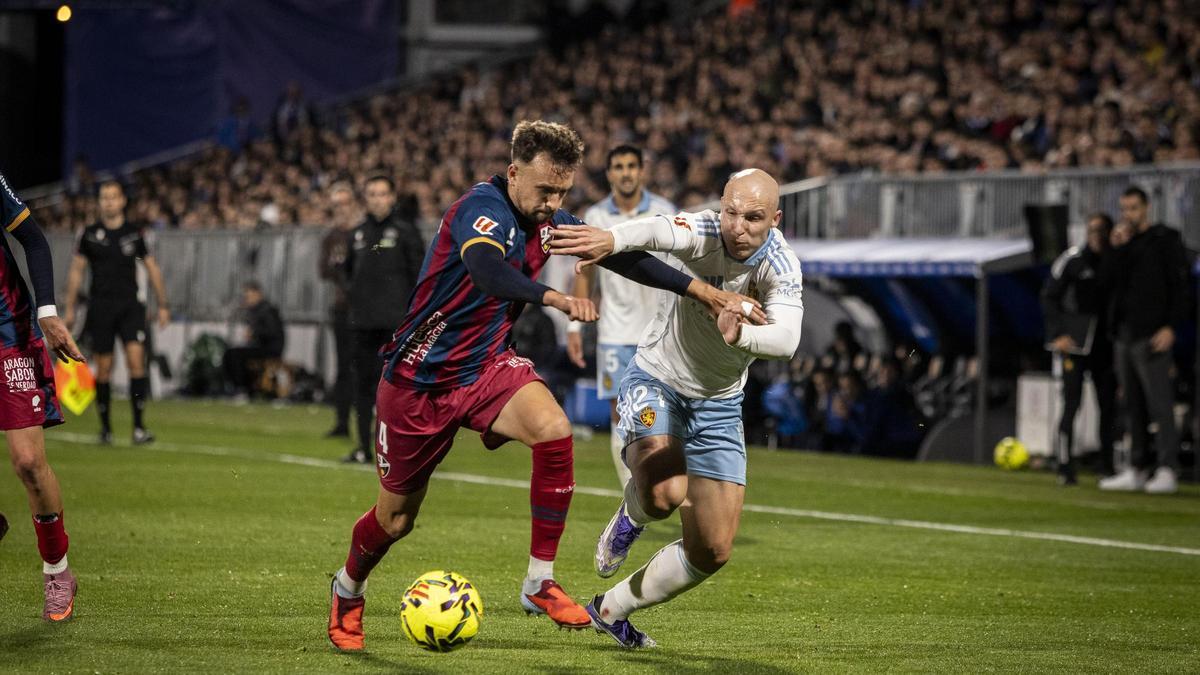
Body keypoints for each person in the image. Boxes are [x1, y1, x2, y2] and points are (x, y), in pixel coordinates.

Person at [326, 121, 755, 652]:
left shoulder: (547, 220)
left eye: (562, 192)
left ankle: (538, 582)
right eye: (544, 190)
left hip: (484, 368)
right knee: (395, 520)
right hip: (418, 381)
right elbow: (485, 270)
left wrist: (701, 292)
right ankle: (348, 589)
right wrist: (551, 299)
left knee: (555, 430)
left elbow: (618, 256)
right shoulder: (479, 210)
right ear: (512, 174)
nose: (553, 203)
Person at [550, 168, 801, 649]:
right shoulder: (705, 230)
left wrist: (740, 333)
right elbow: (657, 230)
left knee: (713, 549)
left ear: (775, 219)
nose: (738, 226)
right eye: (731, 212)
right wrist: (610, 237)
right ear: (721, 208)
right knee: (663, 494)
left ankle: (611, 609)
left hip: (721, 406)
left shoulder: (782, 265)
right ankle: (632, 516)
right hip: (657, 381)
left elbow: (787, 338)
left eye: (752, 217)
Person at [0, 168, 87, 621]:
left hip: (7, 332)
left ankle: (57, 571)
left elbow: (34, 241)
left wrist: (48, 313)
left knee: (29, 464)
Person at [567, 145, 677, 487]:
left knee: (664, 413)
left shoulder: (663, 212)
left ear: (642, 170)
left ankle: (661, 481)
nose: (626, 172)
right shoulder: (597, 217)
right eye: (619, 166)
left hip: (659, 331)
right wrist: (574, 325)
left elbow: (679, 268)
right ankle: (632, 490)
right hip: (614, 331)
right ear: (610, 173)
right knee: (622, 413)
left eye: (632, 165)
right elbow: (584, 272)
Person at [1099, 187, 1190, 494]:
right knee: (1132, 404)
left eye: (1134, 208)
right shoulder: (1123, 244)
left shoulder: (1165, 240)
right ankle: (1138, 466)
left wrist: (1170, 326)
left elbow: (1181, 288)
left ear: (1147, 208)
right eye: (1124, 209)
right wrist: (1114, 250)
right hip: (1124, 334)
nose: (1129, 215)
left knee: (1160, 404)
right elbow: (1106, 284)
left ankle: (1167, 468)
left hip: (1152, 334)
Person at [64, 181, 170, 445]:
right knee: (104, 369)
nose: (109, 202)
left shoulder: (135, 233)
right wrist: (69, 308)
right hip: (100, 307)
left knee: (136, 363)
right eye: (104, 197)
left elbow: (153, 267)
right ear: (99, 202)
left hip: (130, 306)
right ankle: (106, 429)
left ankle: (138, 427)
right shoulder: (88, 234)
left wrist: (163, 304)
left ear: (123, 200)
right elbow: (77, 271)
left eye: (113, 197)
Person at [340, 175, 425, 464]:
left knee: (398, 390)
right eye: (372, 194)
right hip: (362, 323)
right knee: (362, 386)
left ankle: (401, 453)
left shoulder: (406, 232)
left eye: (382, 193)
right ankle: (363, 447)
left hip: (396, 325)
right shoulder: (357, 234)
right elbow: (347, 275)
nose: (377, 199)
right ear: (366, 198)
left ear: (392, 197)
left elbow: (421, 276)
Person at [1041, 213, 1118, 485]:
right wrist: (1057, 335)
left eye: (1102, 230)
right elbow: (1049, 298)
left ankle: (1108, 466)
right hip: (1074, 344)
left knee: (1108, 406)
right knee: (1071, 404)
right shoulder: (1072, 260)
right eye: (1092, 229)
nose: (1096, 235)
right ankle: (1064, 464)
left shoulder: (1115, 261)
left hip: (1104, 345)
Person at [319, 183, 357, 437]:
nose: (341, 209)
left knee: (370, 368)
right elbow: (323, 270)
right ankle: (342, 422)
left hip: (368, 310)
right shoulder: (331, 237)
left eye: (345, 203)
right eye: (337, 205)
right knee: (344, 365)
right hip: (343, 308)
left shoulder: (364, 233)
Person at [222, 281, 285, 398]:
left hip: (270, 349)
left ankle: (241, 389)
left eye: (248, 296)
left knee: (235, 355)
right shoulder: (256, 310)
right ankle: (239, 388)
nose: (246, 299)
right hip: (261, 347)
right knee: (231, 352)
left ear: (258, 294)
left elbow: (272, 332)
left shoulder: (267, 310)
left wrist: (254, 333)